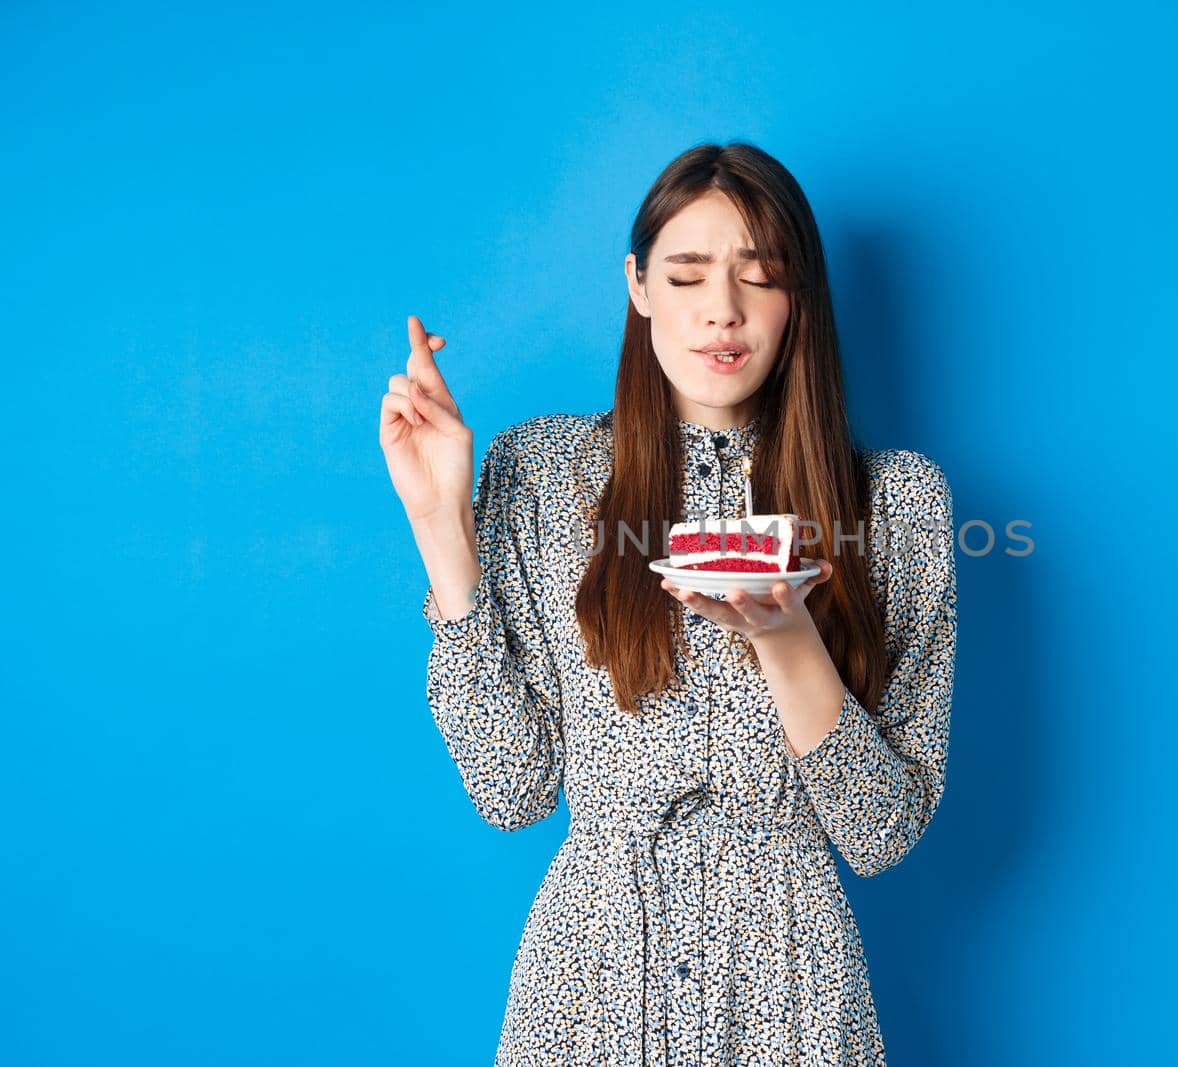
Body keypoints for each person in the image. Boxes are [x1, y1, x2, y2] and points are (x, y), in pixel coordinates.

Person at [379, 142, 957, 1066]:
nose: (721, 311)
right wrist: (442, 529)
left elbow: (882, 832)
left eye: (759, 277)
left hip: (793, 993)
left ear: (797, 298)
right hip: (590, 989)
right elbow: (510, 789)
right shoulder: (544, 474)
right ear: (638, 285)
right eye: (686, 276)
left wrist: (787, 635)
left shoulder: (896, 505)